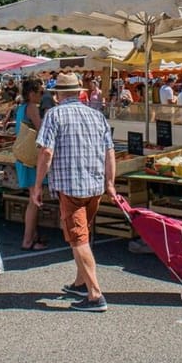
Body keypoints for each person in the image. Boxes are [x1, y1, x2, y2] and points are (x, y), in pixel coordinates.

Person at [32, 72, 116, 312]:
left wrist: (38, 185)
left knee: (78, 239)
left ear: (58, 95)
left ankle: (95, 294)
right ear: (80, 92)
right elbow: (109, 152)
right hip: (94, 184)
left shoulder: (54, 115)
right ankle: (81, 283)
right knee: (84, 235)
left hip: (70, 186)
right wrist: (110, 183)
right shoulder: (96, 115)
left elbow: (46, 152)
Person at [15, 78, 47, 251]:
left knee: (33, 197)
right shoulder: (32, 108)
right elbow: (41, 129)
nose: (42, 95)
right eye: (40, 92)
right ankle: (27, 240)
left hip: (23, 156)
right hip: (31, 158)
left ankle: (33, 236)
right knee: (34, 199)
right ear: (32, 93)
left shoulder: (20, 107)